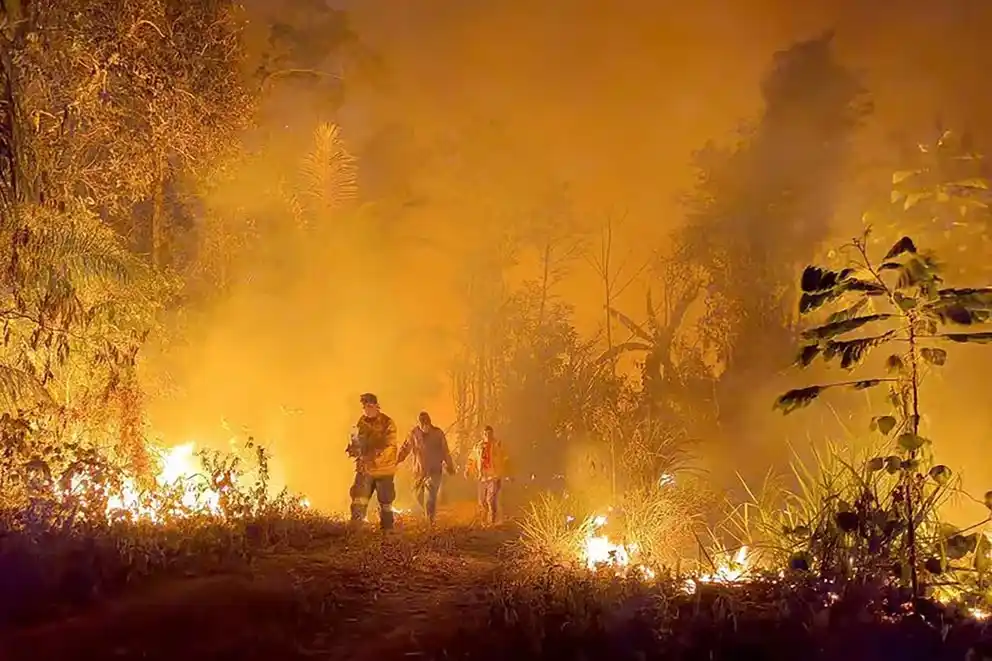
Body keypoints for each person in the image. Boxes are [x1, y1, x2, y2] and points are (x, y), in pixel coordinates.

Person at [346, 392, 399, 530]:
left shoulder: (388, 423)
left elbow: (389, 446)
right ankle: (356, 532)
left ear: (377, 406)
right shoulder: (361, 422)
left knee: (386, 503)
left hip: (384, 470)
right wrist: (353, 448)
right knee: (358, 499)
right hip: (365, 469)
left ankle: (387, 533)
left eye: (370, 406)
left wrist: (371, 456)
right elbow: (359, 441)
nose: (367, 409)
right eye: (364, 406)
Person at [397, 411, 455, 525]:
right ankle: (428, 514)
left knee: (430, 497)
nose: (425, 427)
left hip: (434, 471)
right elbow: (405, 448)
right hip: (418, 472)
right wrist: (397, 460)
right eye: (422, 424)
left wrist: (449, 465)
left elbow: (445, 451)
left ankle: (430, 522)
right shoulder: (413, 434)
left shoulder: (438, 434)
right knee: (417, 495)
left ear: (430, 423)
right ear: (419, 424)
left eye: (427, 424)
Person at [465, 425, 509, 526]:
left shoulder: (498, 445)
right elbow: (471, 459)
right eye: (485, 434)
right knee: (482, 501)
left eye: (489, 434)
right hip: (482, 477)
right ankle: (483, 522)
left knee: (490, 499)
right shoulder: (478, 447)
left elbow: (505, 459)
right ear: (483, 435)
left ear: (492, 434)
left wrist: (507, 472)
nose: (487, 436)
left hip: (494, 476)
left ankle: (492, 521)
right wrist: (467, 470)